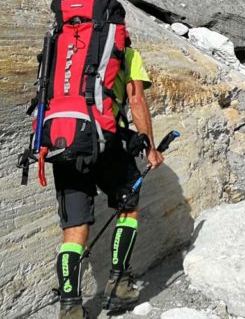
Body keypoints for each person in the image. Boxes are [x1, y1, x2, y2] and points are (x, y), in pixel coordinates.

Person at [54, 46, 164, 319]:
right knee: (127, 207)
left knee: (74, 228)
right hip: (106, 140)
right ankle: (119, 285)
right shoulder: (123, 50)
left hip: (63, 142)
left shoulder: (61, 47)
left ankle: (70, 307)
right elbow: (136, 99)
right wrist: (150, 147)